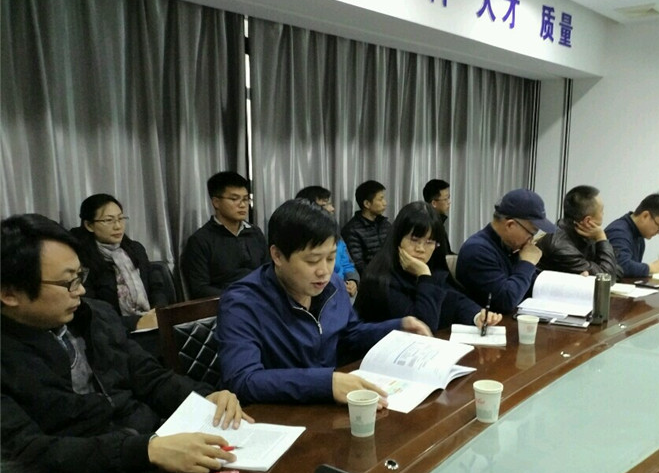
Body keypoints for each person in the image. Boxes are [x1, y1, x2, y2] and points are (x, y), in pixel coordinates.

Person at [1, 214, 250, 473]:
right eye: (67, 282)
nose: (80, 290)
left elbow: (151, 378)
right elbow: (28, 456)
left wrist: (205, 397)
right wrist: (146, 450)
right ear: (10, 293)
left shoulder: (94, 316)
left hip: (153, 454)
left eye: (80, 276)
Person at [216, 199, 430, 405]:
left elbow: (350, 334)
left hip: (327, 406)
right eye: (312, 260)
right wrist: (326, 383)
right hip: (277, 414)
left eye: (330, 258)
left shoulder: (333, 285)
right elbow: (243, 380)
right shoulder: (242, 303)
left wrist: (397, 328)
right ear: (277, 255)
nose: (324, 271)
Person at [356, 202, 502, 334]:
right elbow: (422, 329)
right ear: (397, 239)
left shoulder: (433, 269)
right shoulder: (379, 279)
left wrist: (478, 316)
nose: (421, 249)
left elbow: (454, 301)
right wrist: (424, 275)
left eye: (429, 242)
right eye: (414, 240)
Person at [69, 194, 168, 333]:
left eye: (121, 219)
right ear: (89, 225)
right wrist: (136, 322)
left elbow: (156, 286)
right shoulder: (80, 260)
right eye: (109, 220)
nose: (118, 226)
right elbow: (89, 312)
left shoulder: (135, 249)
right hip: (113, 333)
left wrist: (158, 311)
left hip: (152, 324)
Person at [456, 188, 557, 313]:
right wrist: (527, 263)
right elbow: (506, 301)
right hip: (485, 322)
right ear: (510, 225)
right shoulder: (477, 250)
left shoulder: (508, 246)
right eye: (531, 233)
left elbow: (531, 287)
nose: (531, 240)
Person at [182, 171, 268, 299]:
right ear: (216, 202)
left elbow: (269, 272)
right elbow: (199, 289)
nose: (242, 205)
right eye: (234, 199)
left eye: (245, 199)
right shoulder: (200, 240)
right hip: (226, 304)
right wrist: (239, 296)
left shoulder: (255, 233)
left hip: (261, 300)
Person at [537, 185, 621, 279]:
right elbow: (607, 278)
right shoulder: (560, 245)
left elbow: (618, 270)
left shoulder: (584, 235)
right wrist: (601, 238)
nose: (603, 214)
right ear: (588, 221)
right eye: (601, 211)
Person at [295, 185, 359, 300]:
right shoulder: (301, 239)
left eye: (330, 204)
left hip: (342, 291)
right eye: (325, 205)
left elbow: (347, 263)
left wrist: (352, 280)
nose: (332, 209)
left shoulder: (335, 233)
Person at [604, 193, 659, 278]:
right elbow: (620, 266)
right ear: (645, 216)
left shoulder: (639, 235)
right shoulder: (618, 232)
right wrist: (651, 268)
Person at [341, 180, 391, 274]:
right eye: (380, 199)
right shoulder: (352, 230)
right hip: (370, 278)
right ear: (367, 204)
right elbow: (358, 264)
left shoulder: (385, 224)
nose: (385, 203)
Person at [422, 178, 453, 254]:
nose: (449, 202)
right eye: (446, 199)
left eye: (449, 198)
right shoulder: (428, 226)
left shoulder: (438, 222)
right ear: (434, 203)